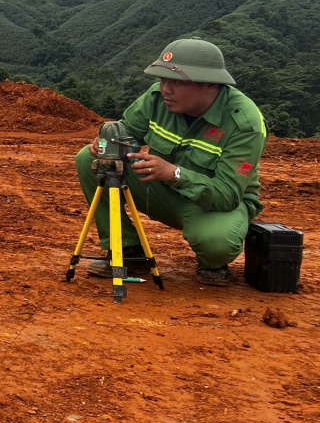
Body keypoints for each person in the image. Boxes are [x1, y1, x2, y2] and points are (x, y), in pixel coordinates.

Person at [75, 38, 266, 286]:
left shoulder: (244, 124)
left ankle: (214, 262)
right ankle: (128, 249)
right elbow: (129, 131)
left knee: (218, 244)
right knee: (91, 159)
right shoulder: (157, 98)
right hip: (160, 188)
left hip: (212, 203)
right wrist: (111, 139)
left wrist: (174, 173)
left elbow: (228, 194)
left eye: (176, 82)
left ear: (210, 85)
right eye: (163, 79)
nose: (166, 88)